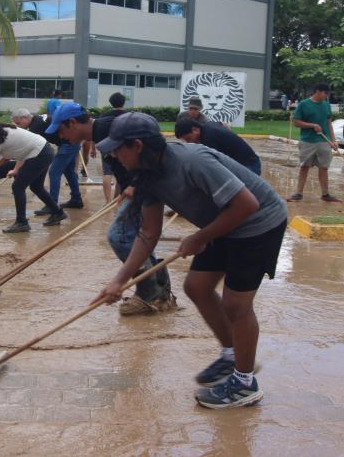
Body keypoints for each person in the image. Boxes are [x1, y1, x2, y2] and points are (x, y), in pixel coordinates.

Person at [91, 112, 287, 408]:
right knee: (197, 286)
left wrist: (199, 237)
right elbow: (148, 232)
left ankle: (245, 384)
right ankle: (233, 355)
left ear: (137, 145)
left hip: (259, 223)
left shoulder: (192, 161)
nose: (114, 155)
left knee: (236, 305)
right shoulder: (148, 174)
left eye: (119, 148)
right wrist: (120, 280)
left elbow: (248, 204)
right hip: (223, 222)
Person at [48, 102, 176, 316]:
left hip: (145, 186)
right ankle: (160, 294)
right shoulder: (100, 131)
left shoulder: (108, 127)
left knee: (120, 237)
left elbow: (149, 150)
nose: (61, 137)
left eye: (61, 130)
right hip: (138, 187)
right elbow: (122, 168)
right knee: (135, 239)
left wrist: (135, 185)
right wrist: (123, 190)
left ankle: (150, 294)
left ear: (72, 123)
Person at [0, 118, 66, 233]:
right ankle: (58, 213)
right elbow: (12, 151)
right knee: (36, 187)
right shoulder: (1, 131)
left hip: (39, 154)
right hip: (44, 150)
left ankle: (22, 222)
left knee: (18, 187)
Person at [288, 82, 341, 203]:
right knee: (304, 167)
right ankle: (298, 193)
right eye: (325, 93)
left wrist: (333, 141)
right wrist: (312, 125)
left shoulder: (326, 105)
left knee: (324, 167)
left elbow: (329, 124)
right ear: (317, 91)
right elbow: (296, 122)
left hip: (324, 141)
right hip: (307, 141)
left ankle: (325, 194)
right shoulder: (304, 104)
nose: (326, 95)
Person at [174, 119, 262, 175]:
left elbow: (213, 166)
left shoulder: (208, 138)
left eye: (188, 139)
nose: (189, 142)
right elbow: (224, 124)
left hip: (249, 167)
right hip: (251, 161)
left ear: (195, 130)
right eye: (185, 141)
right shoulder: (208, 125)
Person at [99, 92, 128, 202]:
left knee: (107, 173)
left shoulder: (104, 115)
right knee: (120, 174)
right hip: (122, 148)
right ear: (123, 102)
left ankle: (107, 201)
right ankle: (117, 199)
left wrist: (93, 147)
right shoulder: (128, 115)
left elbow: (96, 131)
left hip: (106, 146)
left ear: (111, 102)